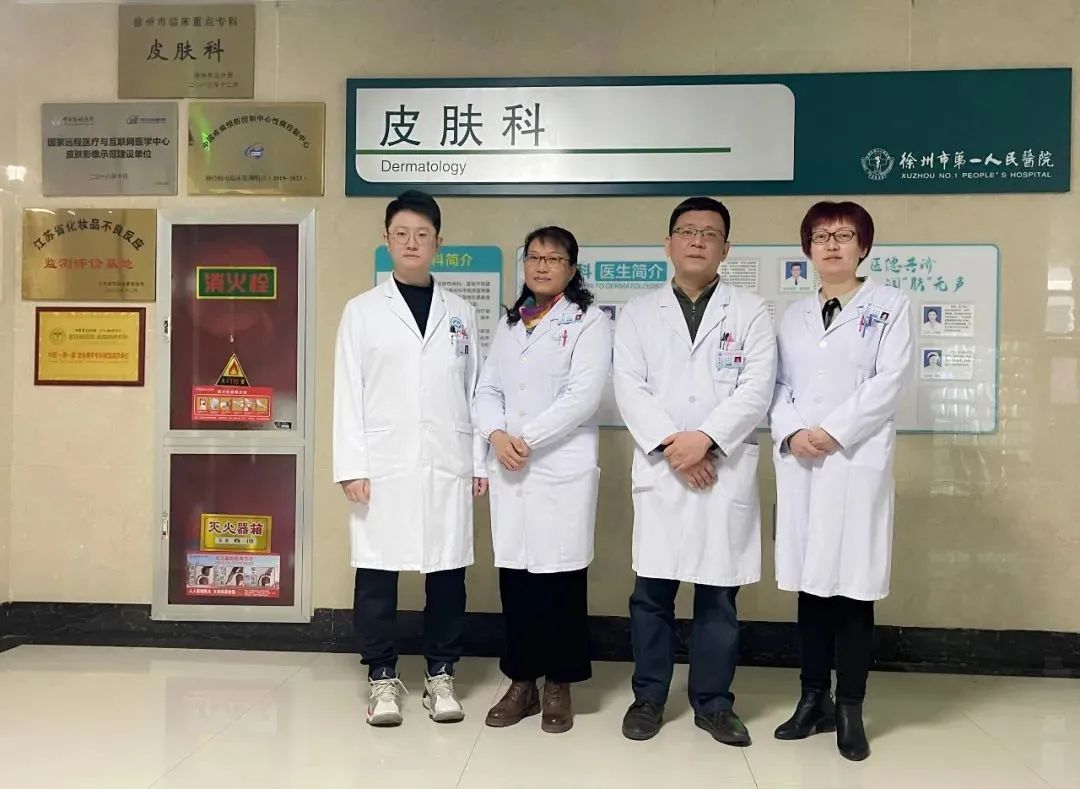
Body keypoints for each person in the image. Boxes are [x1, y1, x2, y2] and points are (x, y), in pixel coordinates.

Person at [613, 197, 776, 746]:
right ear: (668, 243)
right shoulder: (638, 313)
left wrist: (704, 441)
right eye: (687, 231)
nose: (697, 240)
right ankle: (648, 697)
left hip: (720, 468)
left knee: (718, 595)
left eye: (710, 233)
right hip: (664, 470)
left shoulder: (751, 311)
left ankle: (713, 702)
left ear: (726, 248)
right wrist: (673, 446)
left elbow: (757, 387)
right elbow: (628, 386)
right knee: (651, 594)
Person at [333, 190, 488, 728]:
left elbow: (475, 392)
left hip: (446, 461)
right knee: (377, 571)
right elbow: (347, 392)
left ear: (438, 243)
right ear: (387, 240)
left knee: (447, 571)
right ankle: (382, 676)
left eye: (423, 235)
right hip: (383, 462)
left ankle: (441, 674)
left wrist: (478, 463)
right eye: (402, 234)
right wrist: (352, 466)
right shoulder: (361, 311)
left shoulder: (461, 313)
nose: (412, 243)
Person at [769, 201, 913, 762]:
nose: (832, 245)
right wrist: (792, 433)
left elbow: (889, 381)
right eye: (821, 236)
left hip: (855, 461)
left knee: (853, 588)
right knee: (811, 587)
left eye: (844, 235)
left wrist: (832, 432)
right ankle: (813, 700)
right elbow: (777, 385)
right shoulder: (793, 315)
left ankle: (850, 706)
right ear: (808, 248)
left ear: (863, 247)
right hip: (804, 462)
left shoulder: (891, 306)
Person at [474, 226, 612, 734]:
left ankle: (560, 683)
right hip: (512, 466)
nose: (541, 266)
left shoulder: (589, 322)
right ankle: (521, 681)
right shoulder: (511, 322)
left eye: (553, 259)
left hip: (558, 467)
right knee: (516, 579)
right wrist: (495, 434)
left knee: (561, 580)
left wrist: (524, 439)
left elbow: (583, 396)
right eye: (533, 257)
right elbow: (487, 388)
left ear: (571, 269)